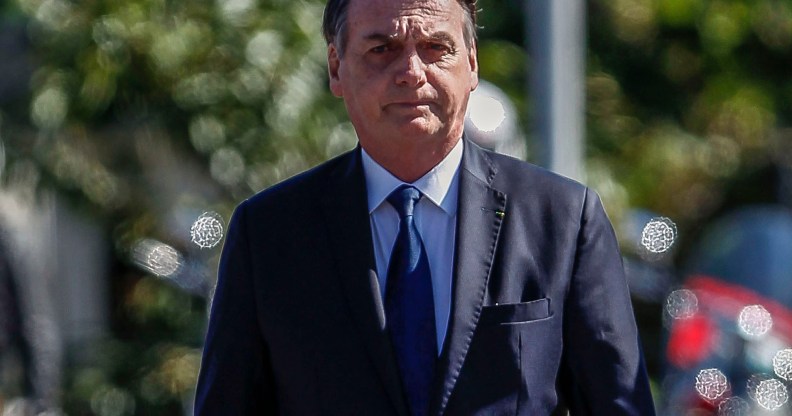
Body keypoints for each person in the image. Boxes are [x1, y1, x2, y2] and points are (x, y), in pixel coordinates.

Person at [194, 0, 656, 414]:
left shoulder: (562, 220)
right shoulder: (270, 233)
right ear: (336, 67)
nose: (412, 71)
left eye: (436, 47)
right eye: (382, 49)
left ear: (471, 63)